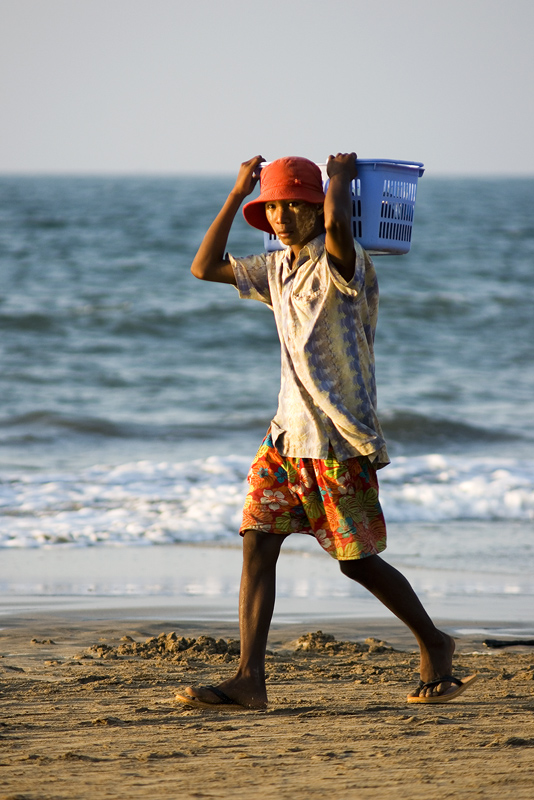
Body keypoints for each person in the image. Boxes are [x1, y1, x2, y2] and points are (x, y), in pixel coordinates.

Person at [176, 153, 477, 709]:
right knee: (257, 544)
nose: (284, 215)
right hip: (285, 439)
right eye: (273, 207)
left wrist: (339, 176)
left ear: (318, 208)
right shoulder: (276, 270)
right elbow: (203, 266)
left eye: (295, 204)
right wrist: (238, 189)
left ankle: (435, 643)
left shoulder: (345, 263)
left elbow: (340, 227)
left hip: (338, 440)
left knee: (355, 560)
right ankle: (249, 679)